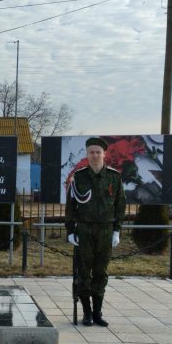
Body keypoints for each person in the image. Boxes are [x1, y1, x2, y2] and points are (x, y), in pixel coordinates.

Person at [65, 137, 125, 327]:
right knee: (83, 273)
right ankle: (87, 313)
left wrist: (117, 230)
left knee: (101, 272)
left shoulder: (114, 177)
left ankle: (98, 312)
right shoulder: (79, 176)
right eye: (91, 152)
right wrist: (70, 230)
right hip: (84, 229)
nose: (95, 155)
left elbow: (120, 205)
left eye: (98, 152)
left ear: (104, 154)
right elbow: (70, 206)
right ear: (87, 154)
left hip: (106, 229)